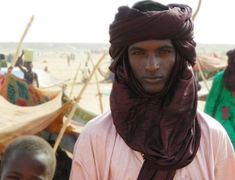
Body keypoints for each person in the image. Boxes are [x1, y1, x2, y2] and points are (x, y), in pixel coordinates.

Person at [70, 1, 235, 179]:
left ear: (180, 58)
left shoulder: (212, 137)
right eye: (138, 53)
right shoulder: (96, 137)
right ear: (124, 62)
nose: (152, 65)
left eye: (163, 52)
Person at [204, 49, 235, 148]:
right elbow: (211, 104)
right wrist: (205, 126)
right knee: (229, 142)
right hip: (223, 116)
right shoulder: (220, 78)